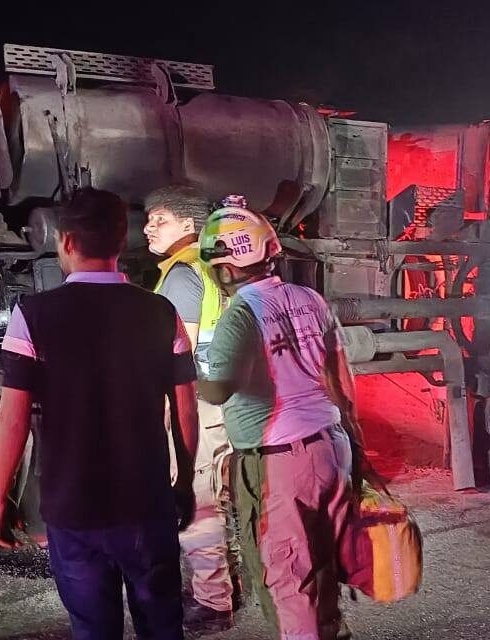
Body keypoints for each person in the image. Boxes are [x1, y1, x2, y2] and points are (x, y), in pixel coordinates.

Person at [0, 187, 199, 640]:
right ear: (122, 242)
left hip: (73, 506)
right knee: (162, 625)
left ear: (65, 242)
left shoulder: (32, 314)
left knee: (93, 629)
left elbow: (13, 418)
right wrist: (183, 480)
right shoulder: (162, 313)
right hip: (145, 500)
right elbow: (185, 406)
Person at [197, 201, 361, 639]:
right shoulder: (310, 299)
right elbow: (341, 377)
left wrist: (190, 370)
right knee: (323, 560)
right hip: (331, 445)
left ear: (225, 268)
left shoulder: (239, 316)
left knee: (288, 578)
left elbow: (218, 389)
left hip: (279, 463)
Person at [143, 185, 236, 631]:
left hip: (196, 402)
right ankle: (221, 585)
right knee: (217, 495)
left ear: (188, 225)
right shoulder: (219, 264)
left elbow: (176, 357)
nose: (147, 227)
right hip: (225, 398)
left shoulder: (181, 275)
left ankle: (213, 601)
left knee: (198, 502)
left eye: (159, 219)